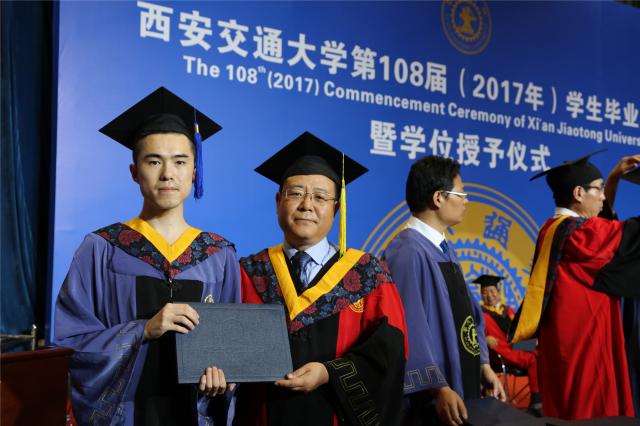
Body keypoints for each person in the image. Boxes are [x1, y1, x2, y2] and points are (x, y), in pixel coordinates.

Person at [53, 87, 241, 425]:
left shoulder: (218, 255)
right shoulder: (102, 248)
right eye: (154, 161)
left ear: (195, 171)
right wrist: (143, 330)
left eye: (180, 162)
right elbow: (72, 345)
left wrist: (224, 377)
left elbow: (231, 349)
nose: (168, 173)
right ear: (134, 171)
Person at [234, 131, 408, 426]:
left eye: (320, 197)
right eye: (295, 193)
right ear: (278, 201)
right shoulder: (247, 272)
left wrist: (330, 373)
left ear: (336, 208)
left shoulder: (368, 275)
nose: (306, 205)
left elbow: (389, 352)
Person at [509, 150, 640, 420]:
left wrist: (613, 179)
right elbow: (626, 239)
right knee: (591, 415)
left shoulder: (553, 229)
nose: (603, 197)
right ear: (579, 193)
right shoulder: (581, 235)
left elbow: (605, 229)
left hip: (565, 348)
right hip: (587, 350)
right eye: (598, 189)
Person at [382, 155, 505, 426]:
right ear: (439, 198)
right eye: (461, 193)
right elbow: (408, 330)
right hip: (430, 401)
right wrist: (438, 387)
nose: (466, 200)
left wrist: (483, 365)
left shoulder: (443, 249)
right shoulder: (407, 252)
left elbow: (469, 314)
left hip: (460, 385)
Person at [473, 275, 541, 415]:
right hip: (499, 351)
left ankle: (546, 396)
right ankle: (536, 401)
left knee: (542, 351)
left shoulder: (508, 310)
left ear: (498, 292)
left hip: (514, 346)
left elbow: (519, 331)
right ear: (481, 295)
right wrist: (484, 338)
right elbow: (472, 333)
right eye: (485, 292)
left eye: (492, 291)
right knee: (532, 359)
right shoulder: (480, 313)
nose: (489, 295)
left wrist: (532, 341)